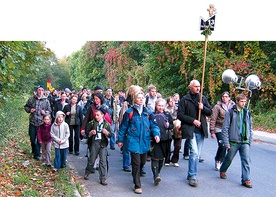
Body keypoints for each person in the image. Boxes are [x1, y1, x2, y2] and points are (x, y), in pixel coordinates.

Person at [118, 91, 160, 194]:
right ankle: (137, 184)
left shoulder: (148, 112)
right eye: (139, 98)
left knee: (142, 162)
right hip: (133, 140)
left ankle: (136, 174)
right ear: (134, 100)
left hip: (145, 140)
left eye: (142, 98)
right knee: (136, 163)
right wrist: (120, 140)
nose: (141, 99)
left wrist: (156, 134)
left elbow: (154, 125)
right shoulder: (129, 112)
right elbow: (123, 127)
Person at [177, 79, 212, 187]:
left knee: (196, 155)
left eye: (199, 86)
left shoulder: (203, 98)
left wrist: (203, 108)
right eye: (196, 86)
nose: (198, 88)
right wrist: (193, 120)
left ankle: (191, 173)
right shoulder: (184, 100)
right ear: (190, 87)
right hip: (190, 129)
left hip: (201, 130)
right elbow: (180, 115)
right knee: (195, 153)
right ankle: (193, 176)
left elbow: (210, 112)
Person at [219, 94, 253, 188]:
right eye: (242, 101)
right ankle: (223, 170)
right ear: (237, 101)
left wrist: (250, 140)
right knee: (229, 158)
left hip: (244, 140)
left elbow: (250, 127)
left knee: (246, 160)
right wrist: (226, 142)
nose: (243, 103)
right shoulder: (230, 112)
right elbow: (225, 128)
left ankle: (246, 179)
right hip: (233, 140)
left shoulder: (247, 112)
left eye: (245, 101)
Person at [84, 105, 112, 186]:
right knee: (92, 159)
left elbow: (111, 134)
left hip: (103, 143)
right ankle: (87, 171)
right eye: (95, 115)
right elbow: (87, 132)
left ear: (103, 115)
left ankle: (103, 178)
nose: (96, 117)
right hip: (94, 142)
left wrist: (107, 133)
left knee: (103, 161)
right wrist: (90, 133)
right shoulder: (92, 123)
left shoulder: (106, 124)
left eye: (98, 115)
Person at [24, 85, 52, 160]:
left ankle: (37, 154)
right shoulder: (32, 99)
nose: (40, 91)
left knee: (39, 139)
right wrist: (30, 110)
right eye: (39, 90)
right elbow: (26, 107)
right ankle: (34, 150)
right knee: (32, 138)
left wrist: (45, 112)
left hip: (41, 123)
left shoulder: (46, 100)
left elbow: (49, 111)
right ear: (37, 90)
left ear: (44, 91)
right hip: (33, 121)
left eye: (42, 90)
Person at [150, 98, 173, 185]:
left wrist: (169, 125)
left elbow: (171, 126)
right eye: (159, 105)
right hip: (155, 140)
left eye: (162, 105)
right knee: (155, 157)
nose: (160, 107)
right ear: (156, 105)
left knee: (162, 158)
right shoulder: (152, 115)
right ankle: (155, 175)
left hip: (165, 139)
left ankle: (158, 172)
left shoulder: (167, 115)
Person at [210, 91, 235, 171]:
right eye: (223, 96)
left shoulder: (233, 106)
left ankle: (222, 160)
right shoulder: (218, 106)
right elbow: (213, 118)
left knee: (227, 146)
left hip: (228, 129)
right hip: (219, 127)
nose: (225, 98)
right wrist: (212, 131)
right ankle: (218, 160)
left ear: (229, 98)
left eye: (226, 97)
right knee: (222, 144)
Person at [166, 96, 182, 167]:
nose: (172, 103)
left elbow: (181, 116)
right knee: (168, 144)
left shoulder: (178, 109)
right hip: (170, 128)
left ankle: (175, 159)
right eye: (170, 101)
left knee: (177, 145)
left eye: (173, 101)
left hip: (177, 128)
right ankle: (167, 159)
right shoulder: (166, 110)